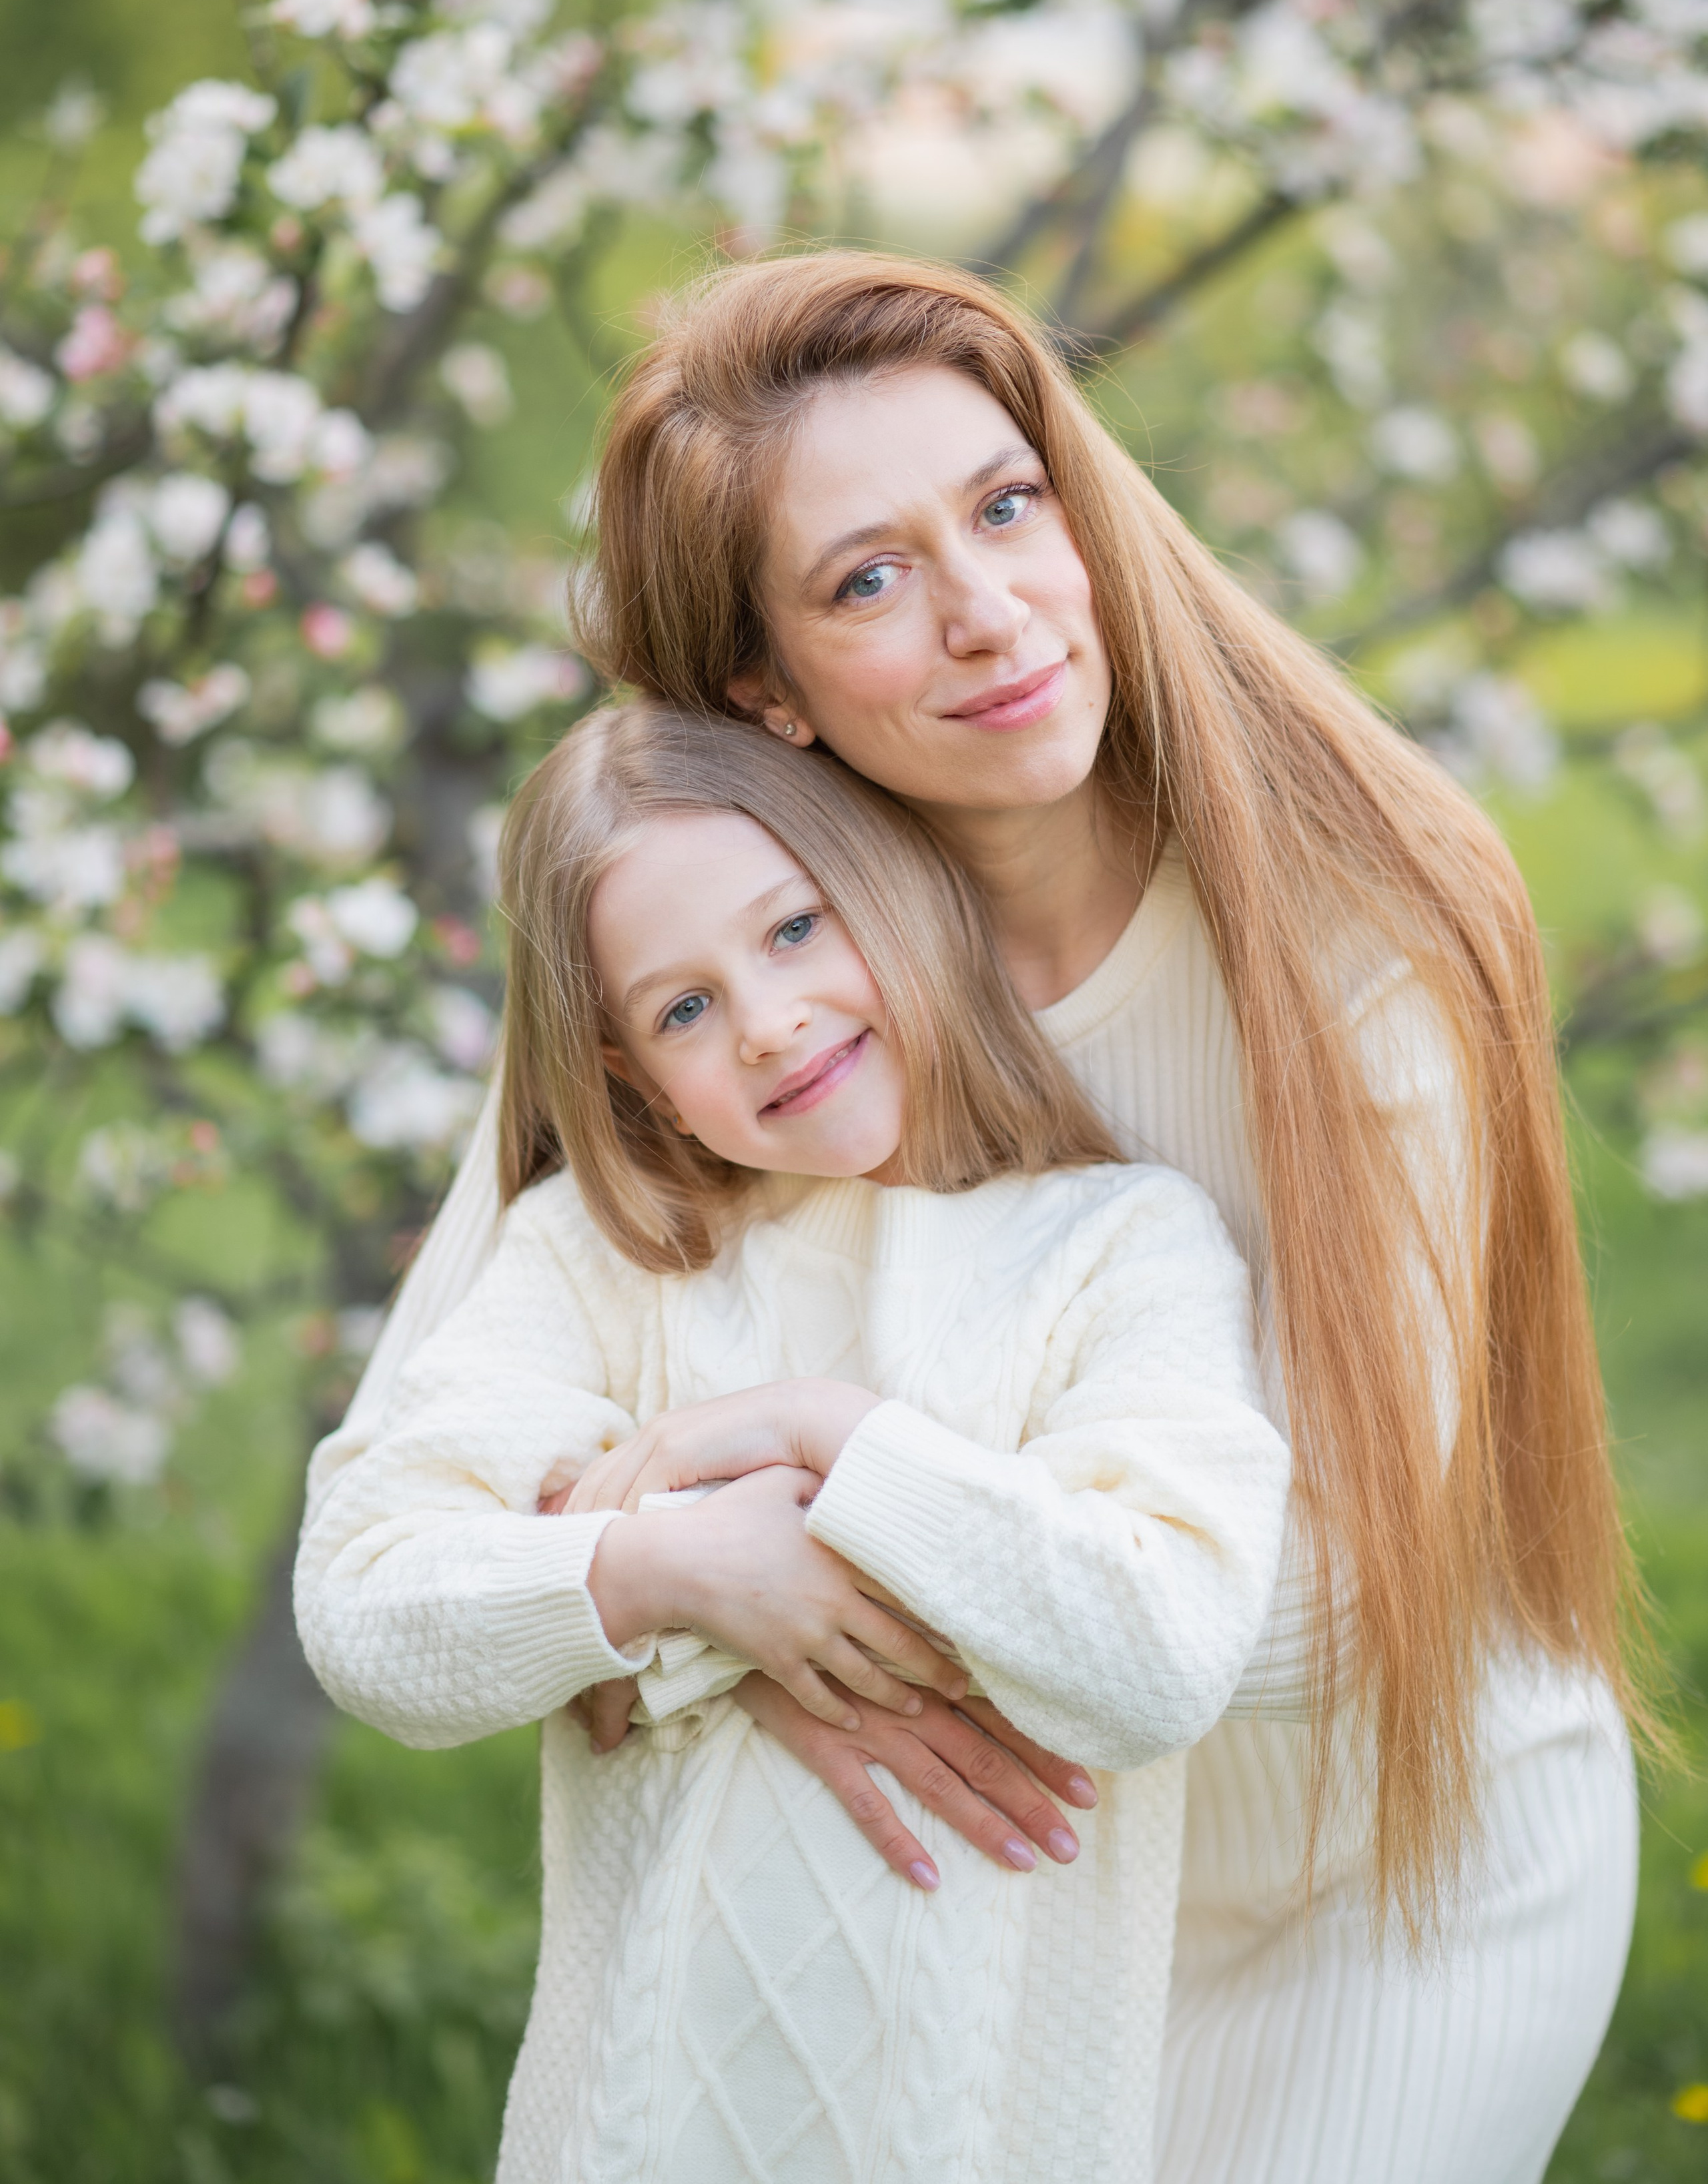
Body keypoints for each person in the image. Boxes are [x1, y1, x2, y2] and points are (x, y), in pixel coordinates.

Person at [307, 252, 1648, 2184]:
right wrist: (703, 1581)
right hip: (1023, 1894)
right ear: (760, 688)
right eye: (869, 578)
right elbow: (423, 1489)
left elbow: (1335, 1593)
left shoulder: (1366, 938)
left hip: (1388, 1862)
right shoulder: (759, 954)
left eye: (1006, 507)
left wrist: (798, 1550)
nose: (990, 611)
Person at [296, 701, 1290, 2184]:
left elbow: (1152, 1648)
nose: (765, 1021)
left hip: (989, 2135)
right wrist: (672, 1575)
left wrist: (814, 1434)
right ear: (629, 1073)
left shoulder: (1119, 1248)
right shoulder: (604, 1262)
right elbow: (369, 1600)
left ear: (897, 887)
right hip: (635, 2134)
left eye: (793, 931)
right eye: (681, 1009)